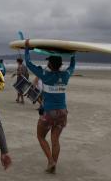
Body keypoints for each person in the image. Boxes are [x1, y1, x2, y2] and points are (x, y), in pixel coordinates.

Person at [24, 42, 75, 174]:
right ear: (60, 65)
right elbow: (72, 66)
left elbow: (29, 64)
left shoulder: (45, 75)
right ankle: (53, 164)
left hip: (49, 113)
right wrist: (73, 55)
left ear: (50, 64)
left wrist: (27, 50)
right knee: (55, 140)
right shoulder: (65, 76)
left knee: (41, 137)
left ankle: (51, 161)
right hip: (63, 113)